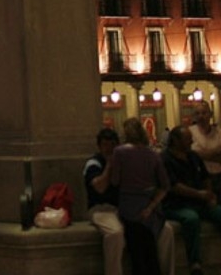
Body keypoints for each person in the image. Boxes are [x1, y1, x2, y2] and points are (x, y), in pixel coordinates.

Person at [86, 127, 176, 275]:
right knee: (115, 234)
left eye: (112, 145)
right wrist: (110, 165)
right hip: (102, 208)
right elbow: (100, 188)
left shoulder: (126, 158)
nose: (109, 148)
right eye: (105, 145)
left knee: (166, 230)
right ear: (99, 146)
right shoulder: (94, 163)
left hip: (126, 208)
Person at [109, 118, 169, 275]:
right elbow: (165, 186)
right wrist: (150, 207)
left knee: (136, 251)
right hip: (149, 207)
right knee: (150, 250)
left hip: (128, 206)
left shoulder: (119, 152)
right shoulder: (153, 155)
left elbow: (115, 181)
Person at [163, 125, 221, 274]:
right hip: (177, 204)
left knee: (219, 213)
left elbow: (205, 177)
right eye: (187, 139)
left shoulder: (193, 156)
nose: (191, 141)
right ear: (175, 140)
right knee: (191, 219)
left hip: (200, 201)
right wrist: (198, 194)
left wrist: (209, 194)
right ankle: (195, 263)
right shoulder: (165, 159)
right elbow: (174, 186)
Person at [189, 102, 221, 195]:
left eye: (204, 113)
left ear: (210, 114)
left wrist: (201, 155)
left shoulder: (219, 132)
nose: (201, 116)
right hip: (199, 177)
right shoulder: (190, 132)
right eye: (197, 113)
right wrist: (214, 155)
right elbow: (190, 154)